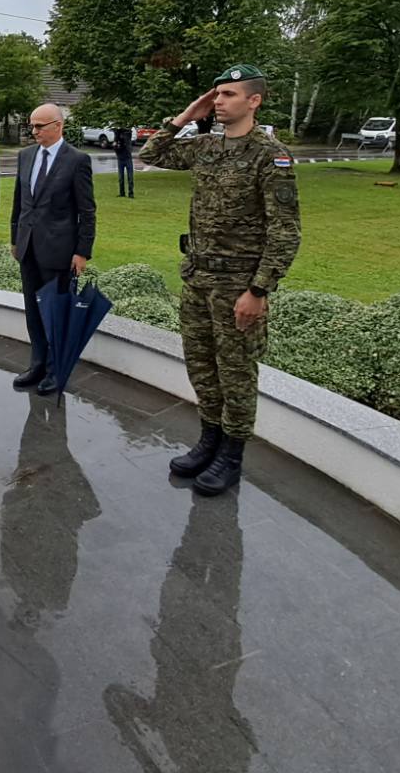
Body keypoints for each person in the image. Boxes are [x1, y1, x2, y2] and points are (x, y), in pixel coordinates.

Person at [137, 64, 301, 496]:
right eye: (216, 95)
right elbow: (150, 155)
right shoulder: (206, 146)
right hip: (198, 279)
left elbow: (285, 230)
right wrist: (187, 115)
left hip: (238, 287)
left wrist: (258, 290)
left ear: (254, 100)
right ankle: (208, 440)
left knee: (236, 373)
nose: (219, 101)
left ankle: (231, 455)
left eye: (228, 94)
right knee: (201, 366)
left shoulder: (270, 154)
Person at [10, 103, 96, 394]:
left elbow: (87, 210)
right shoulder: (25, 156)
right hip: (28, 247)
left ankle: (55, 371)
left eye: (39, 126)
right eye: (31, 125)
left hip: (58, 251)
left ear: (58, 125)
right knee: (33, 311)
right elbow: (20, 203)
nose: (33, 131)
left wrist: (82, 251)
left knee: (55, 313)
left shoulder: (77, 160)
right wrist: (14, 239)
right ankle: (37, 364)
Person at [113, 124, 135, 198]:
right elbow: (115, 146)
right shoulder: (117, 138)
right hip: (121, 159)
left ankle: (130, 193)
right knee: (121, 178)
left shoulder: (127, 136)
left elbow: (128, 136)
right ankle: (122, 193)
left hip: (128, 158)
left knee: (130, 177)